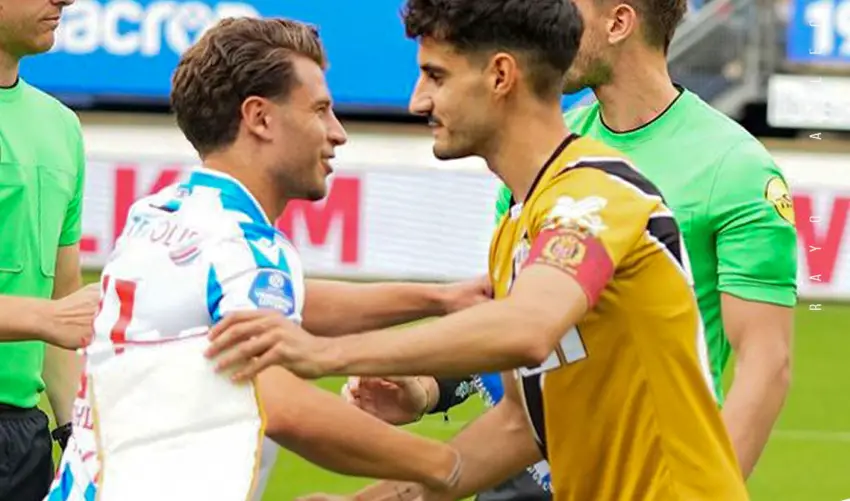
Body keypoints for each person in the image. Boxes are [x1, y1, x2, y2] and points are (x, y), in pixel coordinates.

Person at [206, 0, 750, 499]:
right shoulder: (518, 225)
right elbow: (519, 426)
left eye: (435, 76)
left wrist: (325, 353)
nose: (418, 100)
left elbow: (526, 329)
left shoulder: (596, 192)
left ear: (500, 76)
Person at [347, 0, 798, 496]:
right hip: (522, 463)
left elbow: (766, 363)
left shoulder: (733, 168)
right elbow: (514, 319)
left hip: (641, 474)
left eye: (566, 9)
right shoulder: (547, 148)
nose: (550, 23)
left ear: (619, 23)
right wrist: (430, 388)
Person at [46, 16, 487, 501]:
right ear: (259, 118)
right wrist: (451, 465)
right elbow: (282, 404)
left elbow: (276, 300)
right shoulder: (246, 247)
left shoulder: (161, 212)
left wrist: (439, 298)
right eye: (320, 110)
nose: (337, 133)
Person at [0, 1, 102, 499]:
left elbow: (64, 305)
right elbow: (55, 316)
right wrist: (45, 317)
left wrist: (74, 435)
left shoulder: (61, 126)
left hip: (26, 439)